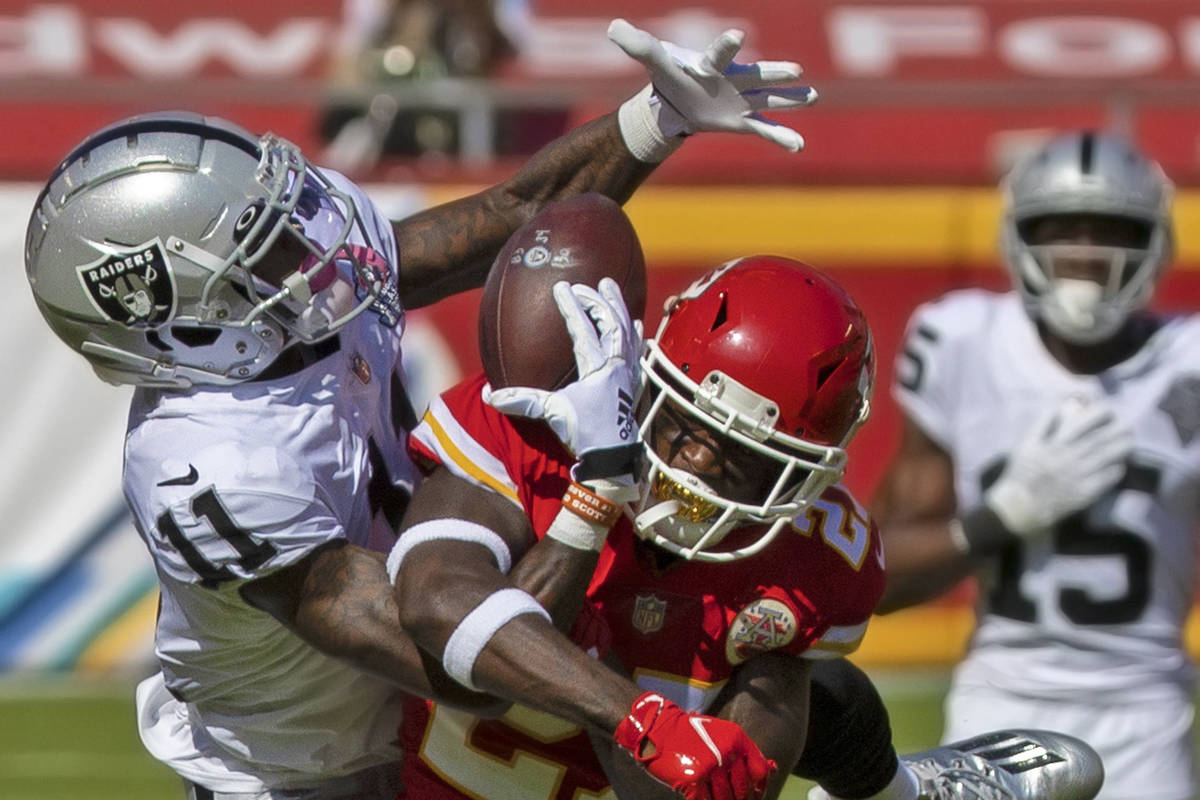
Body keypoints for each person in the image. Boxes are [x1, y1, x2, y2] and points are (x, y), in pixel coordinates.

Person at [21, 19, 817, 800]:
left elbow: (517, 213)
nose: (308, 240)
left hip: (436, 718)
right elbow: (455, 651)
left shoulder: (291, 299)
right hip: (311, 772)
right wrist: (591, 494)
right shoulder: (211, 469)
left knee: (793, 675)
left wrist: (653, 120)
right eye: (263, 243)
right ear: (177, 313)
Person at [388, 255, 1103, 800]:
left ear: (808, 474)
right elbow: (440, 604)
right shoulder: (535, 428)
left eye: (742, 457)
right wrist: (593, 495)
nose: (696, 463)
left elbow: (696, 787)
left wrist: (638, 713)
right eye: (687, 424)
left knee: (795, 675)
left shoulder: (817, 556)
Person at [871, 130, 1194, 800]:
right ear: (1019, 237)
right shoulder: (963, 341)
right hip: (1002, 702)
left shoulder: (1187, 364)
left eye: (1110, 230)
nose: (1083, 253)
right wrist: (998, 519)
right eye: (1060, 229)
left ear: (1154, 245)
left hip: (1147, 714)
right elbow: (872, 577)